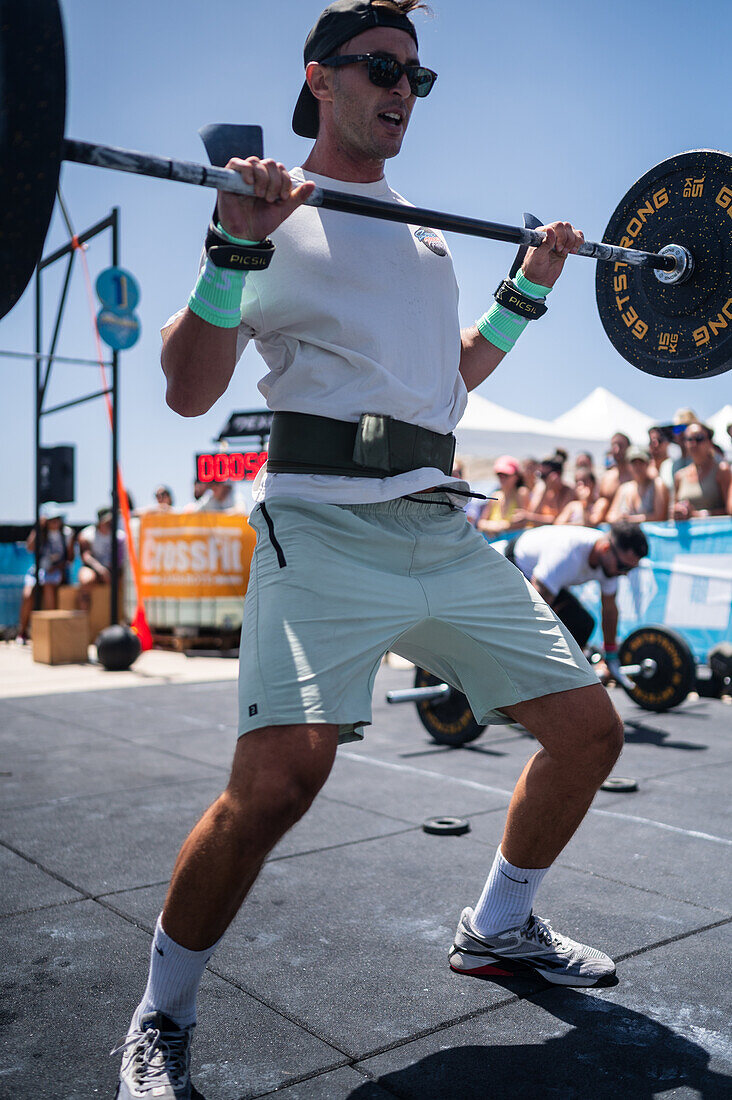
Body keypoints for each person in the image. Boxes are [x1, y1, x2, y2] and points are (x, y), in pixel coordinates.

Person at [114, 4, 625, 1094]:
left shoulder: (430, 232)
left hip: (440, 520)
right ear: (322, 77)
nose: (402, 88)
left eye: (416, 76)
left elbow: (448, 383)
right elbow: (187, 386)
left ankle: (499, 926)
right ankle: (161, 1012)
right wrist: (231, 245)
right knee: (280, 782)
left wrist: (529, 284)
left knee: (588, 732)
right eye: (382, 68)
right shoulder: (273, 214)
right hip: (322, 527)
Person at [505, 520, 648, 679]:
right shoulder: (567, 553)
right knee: (536, 625)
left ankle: (567, 675)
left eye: (630, 569)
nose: (625, 573)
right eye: (623, 567)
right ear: (606, 549)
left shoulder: (611, 561)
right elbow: (537, 606)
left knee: (583, 624)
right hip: (512, 566)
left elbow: (609, 611)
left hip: (545, 581)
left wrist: (611, 654)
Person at [15, 505, 74, 644]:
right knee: (28, 595)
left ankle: (49, 631)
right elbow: (29, 548)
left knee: (48, 588)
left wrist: (57, 567)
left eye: (57, 519)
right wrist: (38, 529)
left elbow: (70, 558)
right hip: (38, 570)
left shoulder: (67, 533)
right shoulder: (40, 532)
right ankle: (22, 632)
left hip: (56, 571)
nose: (55, 522)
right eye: (52, 519)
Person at [672, 423, 731, 519]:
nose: (693, 443)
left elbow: (729, 510)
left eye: (699, 438)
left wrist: (699, 515)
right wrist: (677, 511)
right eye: (689, 439)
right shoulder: (679, 476)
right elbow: (671, 514)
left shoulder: (722, 470)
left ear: (710, 442)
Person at [76, 508, 127, 613]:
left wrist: (113, 572)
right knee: (86, 580)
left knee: (126, 582)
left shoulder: (120, 536)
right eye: (107, 521)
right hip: (94, 568)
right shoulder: (87, 534)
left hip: (113, 570)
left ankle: (123, 616)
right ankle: (83, 614)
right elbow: (86, 556)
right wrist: (101, 570)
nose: (110, 523)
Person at [607, 446, 669, 523]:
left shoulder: (657, 485)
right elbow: (610, 516)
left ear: (648, 464)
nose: (638, 466)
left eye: (641, 462)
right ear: (628, 465)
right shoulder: (624, 488)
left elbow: (660, 517)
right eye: (634, 463)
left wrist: (631, 519)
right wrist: (620, 518)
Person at [476, 455, 530, 537]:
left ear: (516, 476)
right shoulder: (495, 495)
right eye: (500, 475)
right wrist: (492, 526)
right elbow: (481, 522)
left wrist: (501, 526)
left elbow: (523, 522)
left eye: (506, 475)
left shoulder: (521, 493)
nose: (502, 479)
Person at [518, 450, 575, 526]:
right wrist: (546, 489)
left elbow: (558, 520)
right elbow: (533, 512)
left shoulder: (568, 491)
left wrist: (530, 517)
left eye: (545, 476)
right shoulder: (541, 488)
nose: (543, 480)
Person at [590, 432, 632, 525]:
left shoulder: (636, 476)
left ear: (629, 448)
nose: (616, 450)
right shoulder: (607, 477)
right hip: (606, 528)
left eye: (621, 446)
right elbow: (598, 504)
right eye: (614, 446)